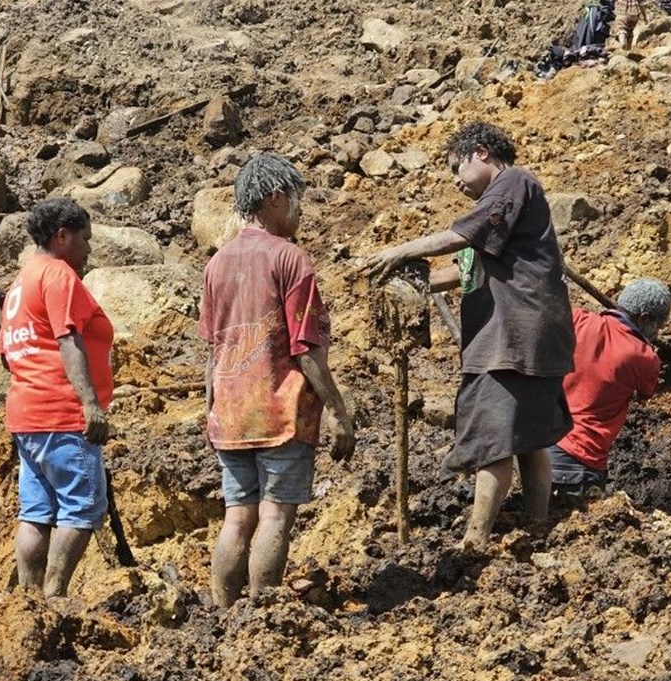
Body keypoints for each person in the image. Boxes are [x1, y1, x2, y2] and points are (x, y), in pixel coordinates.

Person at [360, 122, 574, 550]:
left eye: (458, 168)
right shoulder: (507, 210)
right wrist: (409, 281)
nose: (456, 181)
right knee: (529, 439)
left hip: (513, 338)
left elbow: (462, 235)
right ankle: (536, 525)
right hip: (530, 336)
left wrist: (402, 250)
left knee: (495, 441)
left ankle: (474, 542)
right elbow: (463, 272)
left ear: (481, 153)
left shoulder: (513, 181)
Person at [200, 153, 355, 608]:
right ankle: (263, 613)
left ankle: (225, 612)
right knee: (274, 515)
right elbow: (306, 348)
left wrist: (211, 411)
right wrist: (340, 414)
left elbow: (213, 351)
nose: (300, 210)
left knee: (236, 518)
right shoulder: (290, 259)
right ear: (274, 198)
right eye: (296, 199)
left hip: (229, 414)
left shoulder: (217, 264)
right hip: (278, 412)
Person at [0, 198, 114, 600]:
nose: (88, 249)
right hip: (60, 413)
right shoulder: (58, 275)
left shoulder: (20, 282)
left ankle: (26, 602)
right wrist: (89, 403)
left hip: (26, 414)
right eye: (84, 239)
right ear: (62, 237)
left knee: (36, 513)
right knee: (82, 509)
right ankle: (54, 595)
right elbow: (68, 338)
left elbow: (6, 354)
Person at [550, 279, 671, 501]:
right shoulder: (643, 357)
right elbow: (646, 393)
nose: (658, 332)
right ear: (645, 319)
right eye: (658, 325)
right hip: (579, 463)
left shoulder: (578, 318)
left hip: (538, 448)